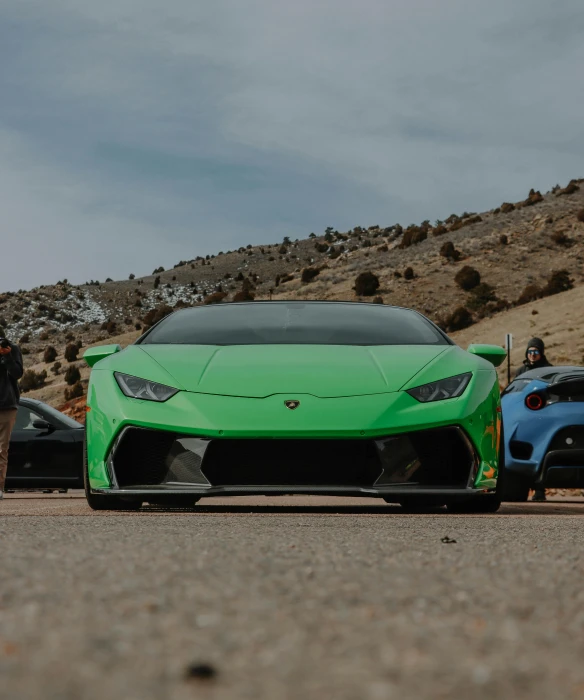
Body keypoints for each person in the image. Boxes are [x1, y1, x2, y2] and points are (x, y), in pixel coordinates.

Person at [515, 337, 553, 502]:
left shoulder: (549, 369)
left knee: (540, 452)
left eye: (536, 351)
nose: (532, 354)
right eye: (530, 351)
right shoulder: (521, 371)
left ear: (541, 353)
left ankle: (539, 490)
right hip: (524, 417)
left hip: (543, 417)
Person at [0, 327, 24, 500]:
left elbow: (17, 373)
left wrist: (7, 356)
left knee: (1, 449)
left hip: (6, 406)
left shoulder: (12, 349)